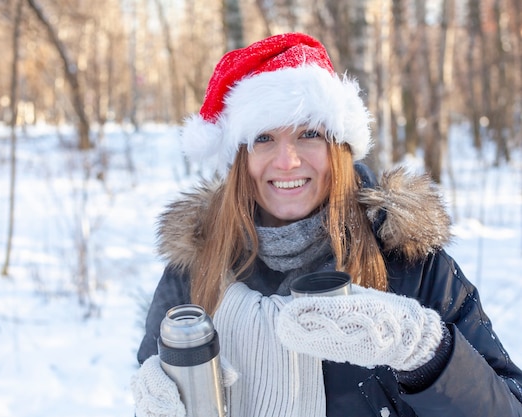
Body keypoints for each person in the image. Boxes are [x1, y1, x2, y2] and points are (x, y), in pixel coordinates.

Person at [131, 33, 522, 417]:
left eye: (309, 134)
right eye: (264, 137)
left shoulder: (410, 264)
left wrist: (425, 352)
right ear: (239, 159)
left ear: (338, 148)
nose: (287, 161)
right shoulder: (193, 271)